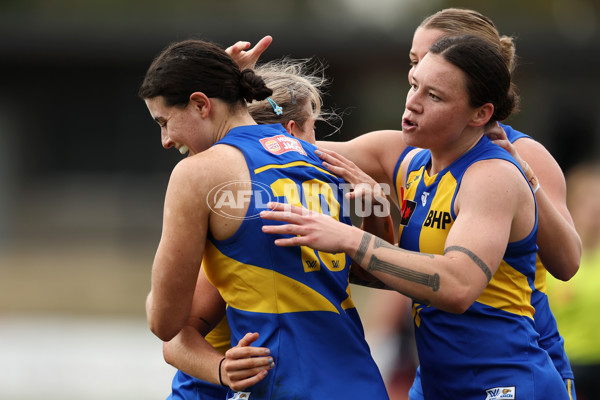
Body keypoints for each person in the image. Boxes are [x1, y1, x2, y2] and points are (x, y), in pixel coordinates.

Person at [261, 34, 571, 399]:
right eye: (413, 85)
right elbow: (282, 150)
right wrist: (227, 96)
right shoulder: (412, 163)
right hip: (436, 383)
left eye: (434, 96)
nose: (413, 103)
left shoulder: (492, 176)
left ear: (481, 113)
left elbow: (457, 287)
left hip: (504, 382)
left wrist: (349, 238)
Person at [139, 38, 389, 399]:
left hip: (278, 382)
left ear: (199, 104)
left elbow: (164, 324)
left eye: (164, 122)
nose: (165, 139)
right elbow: (365, 271)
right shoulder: (317, 159)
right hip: (358, 382)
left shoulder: (198, 173)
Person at [547, 161, 600, 400]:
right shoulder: (552, 259)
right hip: (565, 366)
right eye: (589, 200)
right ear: (572, 204)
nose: (596, 208)